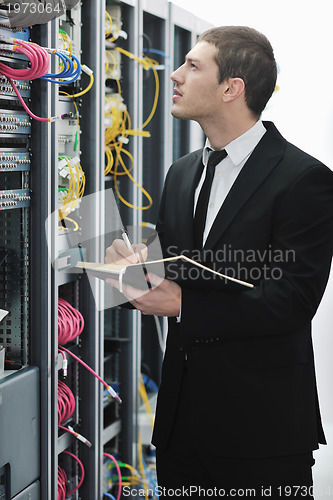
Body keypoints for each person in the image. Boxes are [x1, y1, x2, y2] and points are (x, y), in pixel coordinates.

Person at [105, 26, 333, 498]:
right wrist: (131, 272)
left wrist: (183, 304)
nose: (175, 75)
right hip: (180, 432)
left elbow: (292, 301)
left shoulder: (304, 179)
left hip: (260, 433)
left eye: (193, 65)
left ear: (232, 88)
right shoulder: (182, 172)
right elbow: (173, 270)